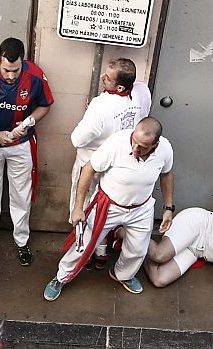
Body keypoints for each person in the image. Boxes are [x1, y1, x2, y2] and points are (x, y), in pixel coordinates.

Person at [44, 117, 174, 301]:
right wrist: (78, 207)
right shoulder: (117, 142)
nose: (135, 149)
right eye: (134, 142)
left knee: (138, 250)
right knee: (84, 245)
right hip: (109, 204)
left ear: (155, 144)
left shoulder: (165, 148)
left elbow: (167, 174)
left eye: (142, 146)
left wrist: (168, 207)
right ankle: (61, 277)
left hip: (141, 208)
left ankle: (122, 274)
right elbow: (88, 169)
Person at [0, 37, 53, 266]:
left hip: (21, 144)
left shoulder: (34, 75)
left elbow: (45, 105)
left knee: (21, 195)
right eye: (6, 69)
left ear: (23, 62)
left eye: (16, 70)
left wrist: (27, 123)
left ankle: (22, 240)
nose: (11, 75)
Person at [69, 58, 151, 269]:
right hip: (118, 167)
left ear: (121, 86)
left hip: (92, 165)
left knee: (84, 208)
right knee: (106, 210)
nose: (103, 78)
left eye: (108, 78)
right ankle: (101, 252)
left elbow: (77, 139)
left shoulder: (101, 105)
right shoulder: (142, 93)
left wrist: (90, 112)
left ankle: (82, 255)